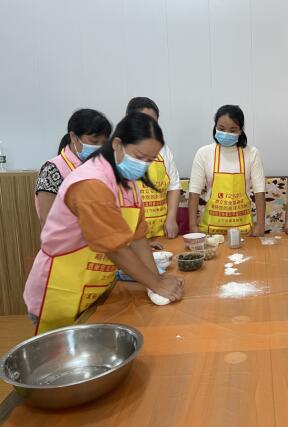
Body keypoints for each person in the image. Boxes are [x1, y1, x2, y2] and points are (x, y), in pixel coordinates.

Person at [23, 113, 184, 335]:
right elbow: (114, 247)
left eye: (149, 160)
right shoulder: (91, 182)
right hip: (61, 291)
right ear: (117, 144)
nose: (143, 165)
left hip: (93, 289)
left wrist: (155, 281)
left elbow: (138, 238)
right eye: (139, 156)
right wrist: (157, 285)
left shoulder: (128, 183)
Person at [188, 105, 266, 236]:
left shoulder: (252, 153)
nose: (226, 133)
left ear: (240, 131)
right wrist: (192, 225)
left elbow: (260, 191)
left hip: (243, 230)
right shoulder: (204, 153)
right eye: (221, 129)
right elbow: (194, 192)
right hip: (211, 230)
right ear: (215, 127)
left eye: (232, 130)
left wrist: (260, 224)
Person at [35, 109, 112, 227]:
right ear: (73, 137)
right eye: (94, 141)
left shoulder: (103, 167)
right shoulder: (52, 169)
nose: (99, 147)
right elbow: (47, 220)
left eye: (103, 143)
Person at [126, 97, 181, 239]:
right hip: (130, 234)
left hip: (160, 231)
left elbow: (174, 185)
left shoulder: (163, 149)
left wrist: (171, 219)